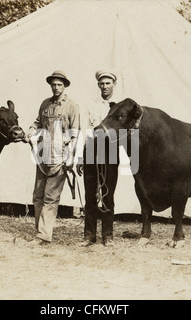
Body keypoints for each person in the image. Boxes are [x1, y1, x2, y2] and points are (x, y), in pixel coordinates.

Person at [23, 70, 80, 245]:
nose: (56, 87)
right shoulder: (45, 104)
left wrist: (71, 158)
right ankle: (39, 231)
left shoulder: (72, 106)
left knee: (50, 197)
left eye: (59, 85)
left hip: (59, 158)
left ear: (65, 86)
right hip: (42, 156)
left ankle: (43, 236)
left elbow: (74, 133)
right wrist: (31, 130)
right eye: (53, 84)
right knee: (37, 196)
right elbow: (38, 121)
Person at [77, 70, 121, 247]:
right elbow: (83, 130)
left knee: (108, 195)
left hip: (110, 152)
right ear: (98, 85)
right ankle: (89, 236)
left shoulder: (119, 107)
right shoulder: (89, 105)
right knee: (90, 196)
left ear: (114, 85)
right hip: (91, 151)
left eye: (108, 83)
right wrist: (80, 156)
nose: (104, 86)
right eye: (101, 83)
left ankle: (108, 236)